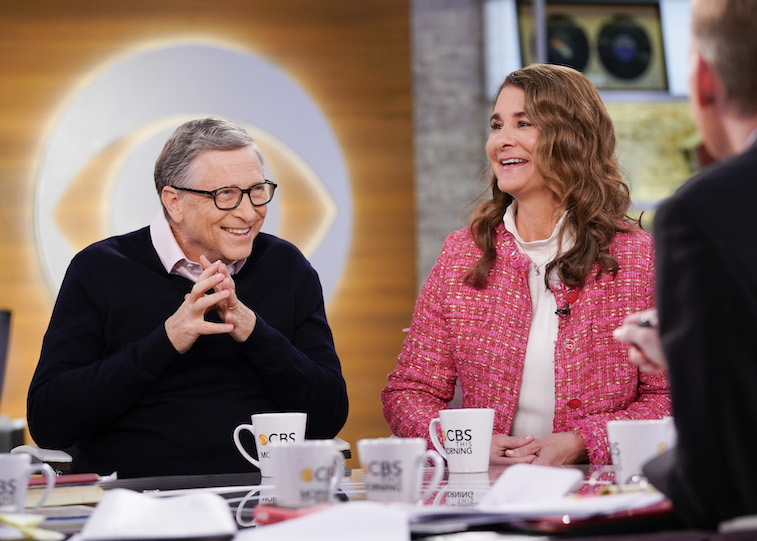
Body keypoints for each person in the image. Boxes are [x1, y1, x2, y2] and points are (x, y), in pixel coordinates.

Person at [381, 64, 670, 467]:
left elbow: (670, 397)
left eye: (524, 123)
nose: (502, 140)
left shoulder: (638, 259)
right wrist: (466, 443)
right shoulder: (463, 254)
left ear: (573, 137)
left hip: (599, 488)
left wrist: (582, 442)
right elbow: (410, 392)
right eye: (497, 125)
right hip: (488, 488)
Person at [27, 117, 348, 478]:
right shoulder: (99, 269)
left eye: (257, 190)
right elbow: (49, 421)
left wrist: (254, 332)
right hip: (133, 497)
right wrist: (167, 340)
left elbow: (329, 416)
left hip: (261, 492)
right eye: (225, 194)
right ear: (174, 202)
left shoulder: (287, 267)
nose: (249, 212)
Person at [614, 0, 757, 529]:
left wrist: (645, 478)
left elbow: (717, 479)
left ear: (704, 80)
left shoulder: (700, 215)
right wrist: (696, 346)